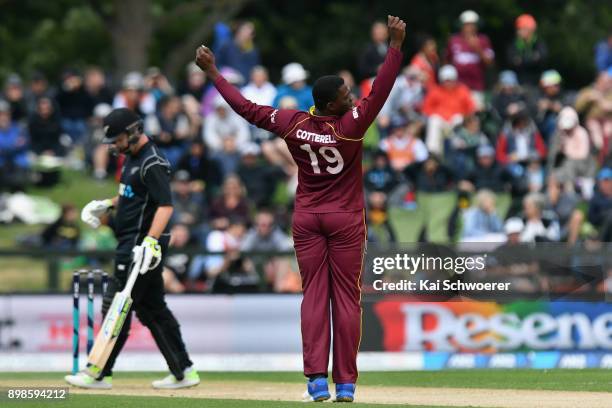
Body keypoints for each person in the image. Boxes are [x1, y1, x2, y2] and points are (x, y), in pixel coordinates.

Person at [195, 14, 406, 403]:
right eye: (344, 95)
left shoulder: (292, 122)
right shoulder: (352, 125)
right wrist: (394, 48)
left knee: (313, 295)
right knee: (345, 298)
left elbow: (245, 107)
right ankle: (345, 384)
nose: (351, 98)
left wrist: (213, 74)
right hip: (344, 219)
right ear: (330, 103)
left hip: (308, 216)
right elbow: (381, 89)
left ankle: (315, 381)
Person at [65, 108, 198, 390]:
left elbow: (165, 205)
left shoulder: (153, 162)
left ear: (133, 132)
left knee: (117, 306)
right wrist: (107, 204)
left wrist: (150, 241)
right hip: (130, 243)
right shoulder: (132, 159)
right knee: (152, 309)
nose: (113, 145)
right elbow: (132, 194)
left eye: (116, 139)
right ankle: (183, 371)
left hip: (141, 247)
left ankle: (98, 373)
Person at [445, 10, 494, 103]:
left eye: (472, 24)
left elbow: (490, 63)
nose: (470, 27)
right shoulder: (454, 40)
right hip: (456, 87)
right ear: (461, 25)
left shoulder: (483, 40)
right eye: (467, 24)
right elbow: (447, 62)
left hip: (476, 87)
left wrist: (478, 48)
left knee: (475, 114)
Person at [506, 14, 548, 88]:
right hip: (518, 79)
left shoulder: (538, 43)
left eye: (521, 29)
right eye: (518, 29)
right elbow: (511, 61)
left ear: (530, 29)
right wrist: (533, 58)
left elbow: (543, 58)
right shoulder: (514, 44)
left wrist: (521, 60)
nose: (518, 32)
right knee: (507, 76)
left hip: (537, 80)